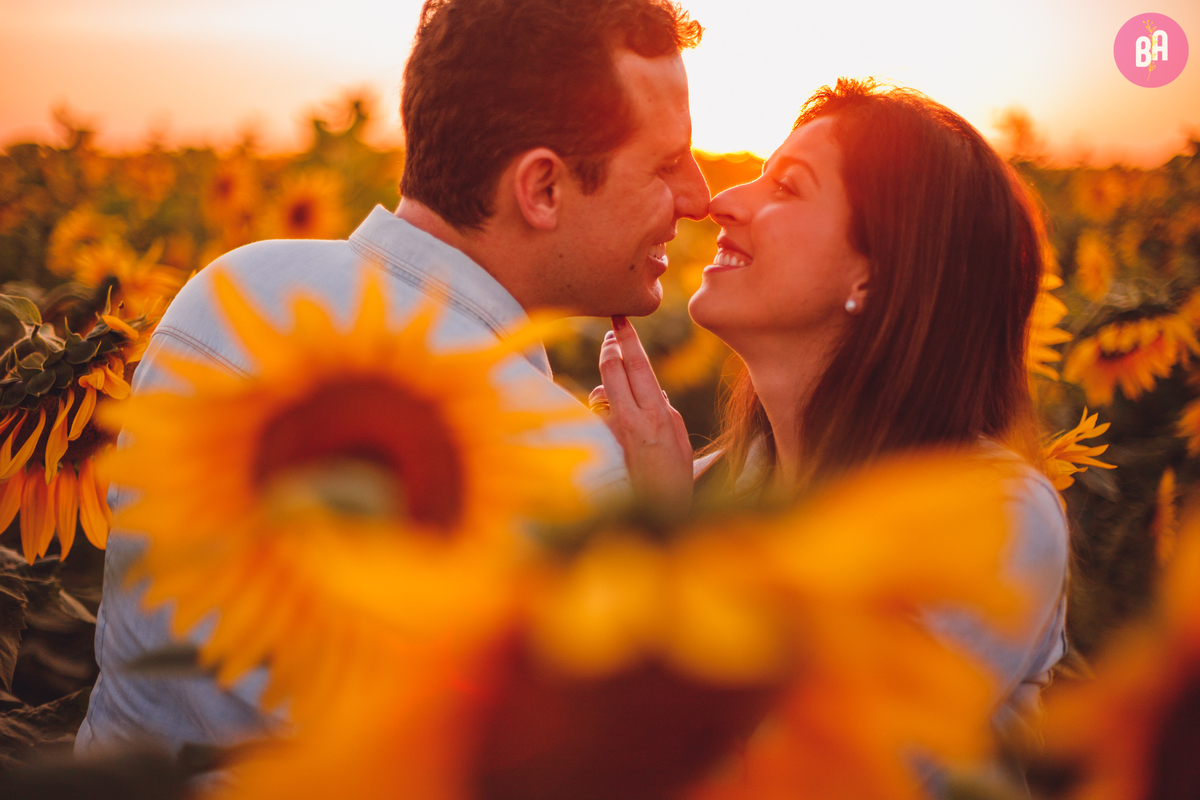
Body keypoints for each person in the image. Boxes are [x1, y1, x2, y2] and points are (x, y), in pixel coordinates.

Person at [76, 0, 710, 756]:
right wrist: (664, 545)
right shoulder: (567, 471)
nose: (699, 197)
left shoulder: (224, 291)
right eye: (666, 164)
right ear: (542, 188)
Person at [592, 78, 1069, 779]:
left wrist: (668, 548)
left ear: (876, 273)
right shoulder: (713, 485)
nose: (724, 201)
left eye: (787, 187)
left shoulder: (993, 517)